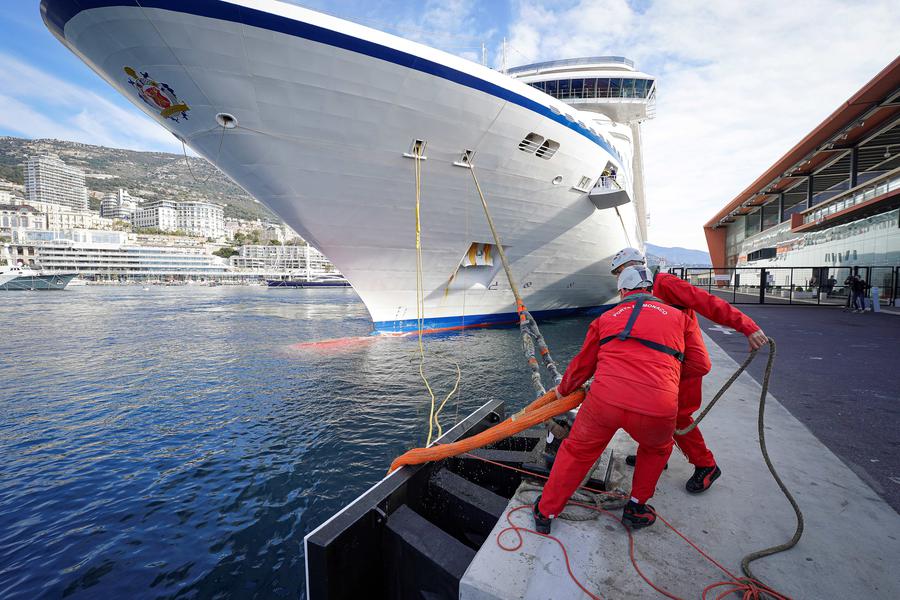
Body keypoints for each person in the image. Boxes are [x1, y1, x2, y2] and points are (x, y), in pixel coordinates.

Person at [532, 266, 709, 532]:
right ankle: (636, 509)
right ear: (650, 290)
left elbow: (582, 366)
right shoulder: (681, 318)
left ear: (623, 292)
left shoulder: (606, 317)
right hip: (657, 405)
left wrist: (562, 391)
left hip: (605, 401)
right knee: (656, 450)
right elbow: (700, 365)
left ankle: (546, 512)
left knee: (577, 451)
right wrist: (665, 375)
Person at [609, 248, 767, 494]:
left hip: (686, 364)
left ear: (631, 266)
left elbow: (708, 303)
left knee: (677, 418)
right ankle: (656, 455)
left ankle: (707, 465)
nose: (619, 278)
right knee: (651, 411)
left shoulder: (665, 283)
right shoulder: (644, 290)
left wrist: (747, 326)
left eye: (619, 271)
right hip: (667, 363)